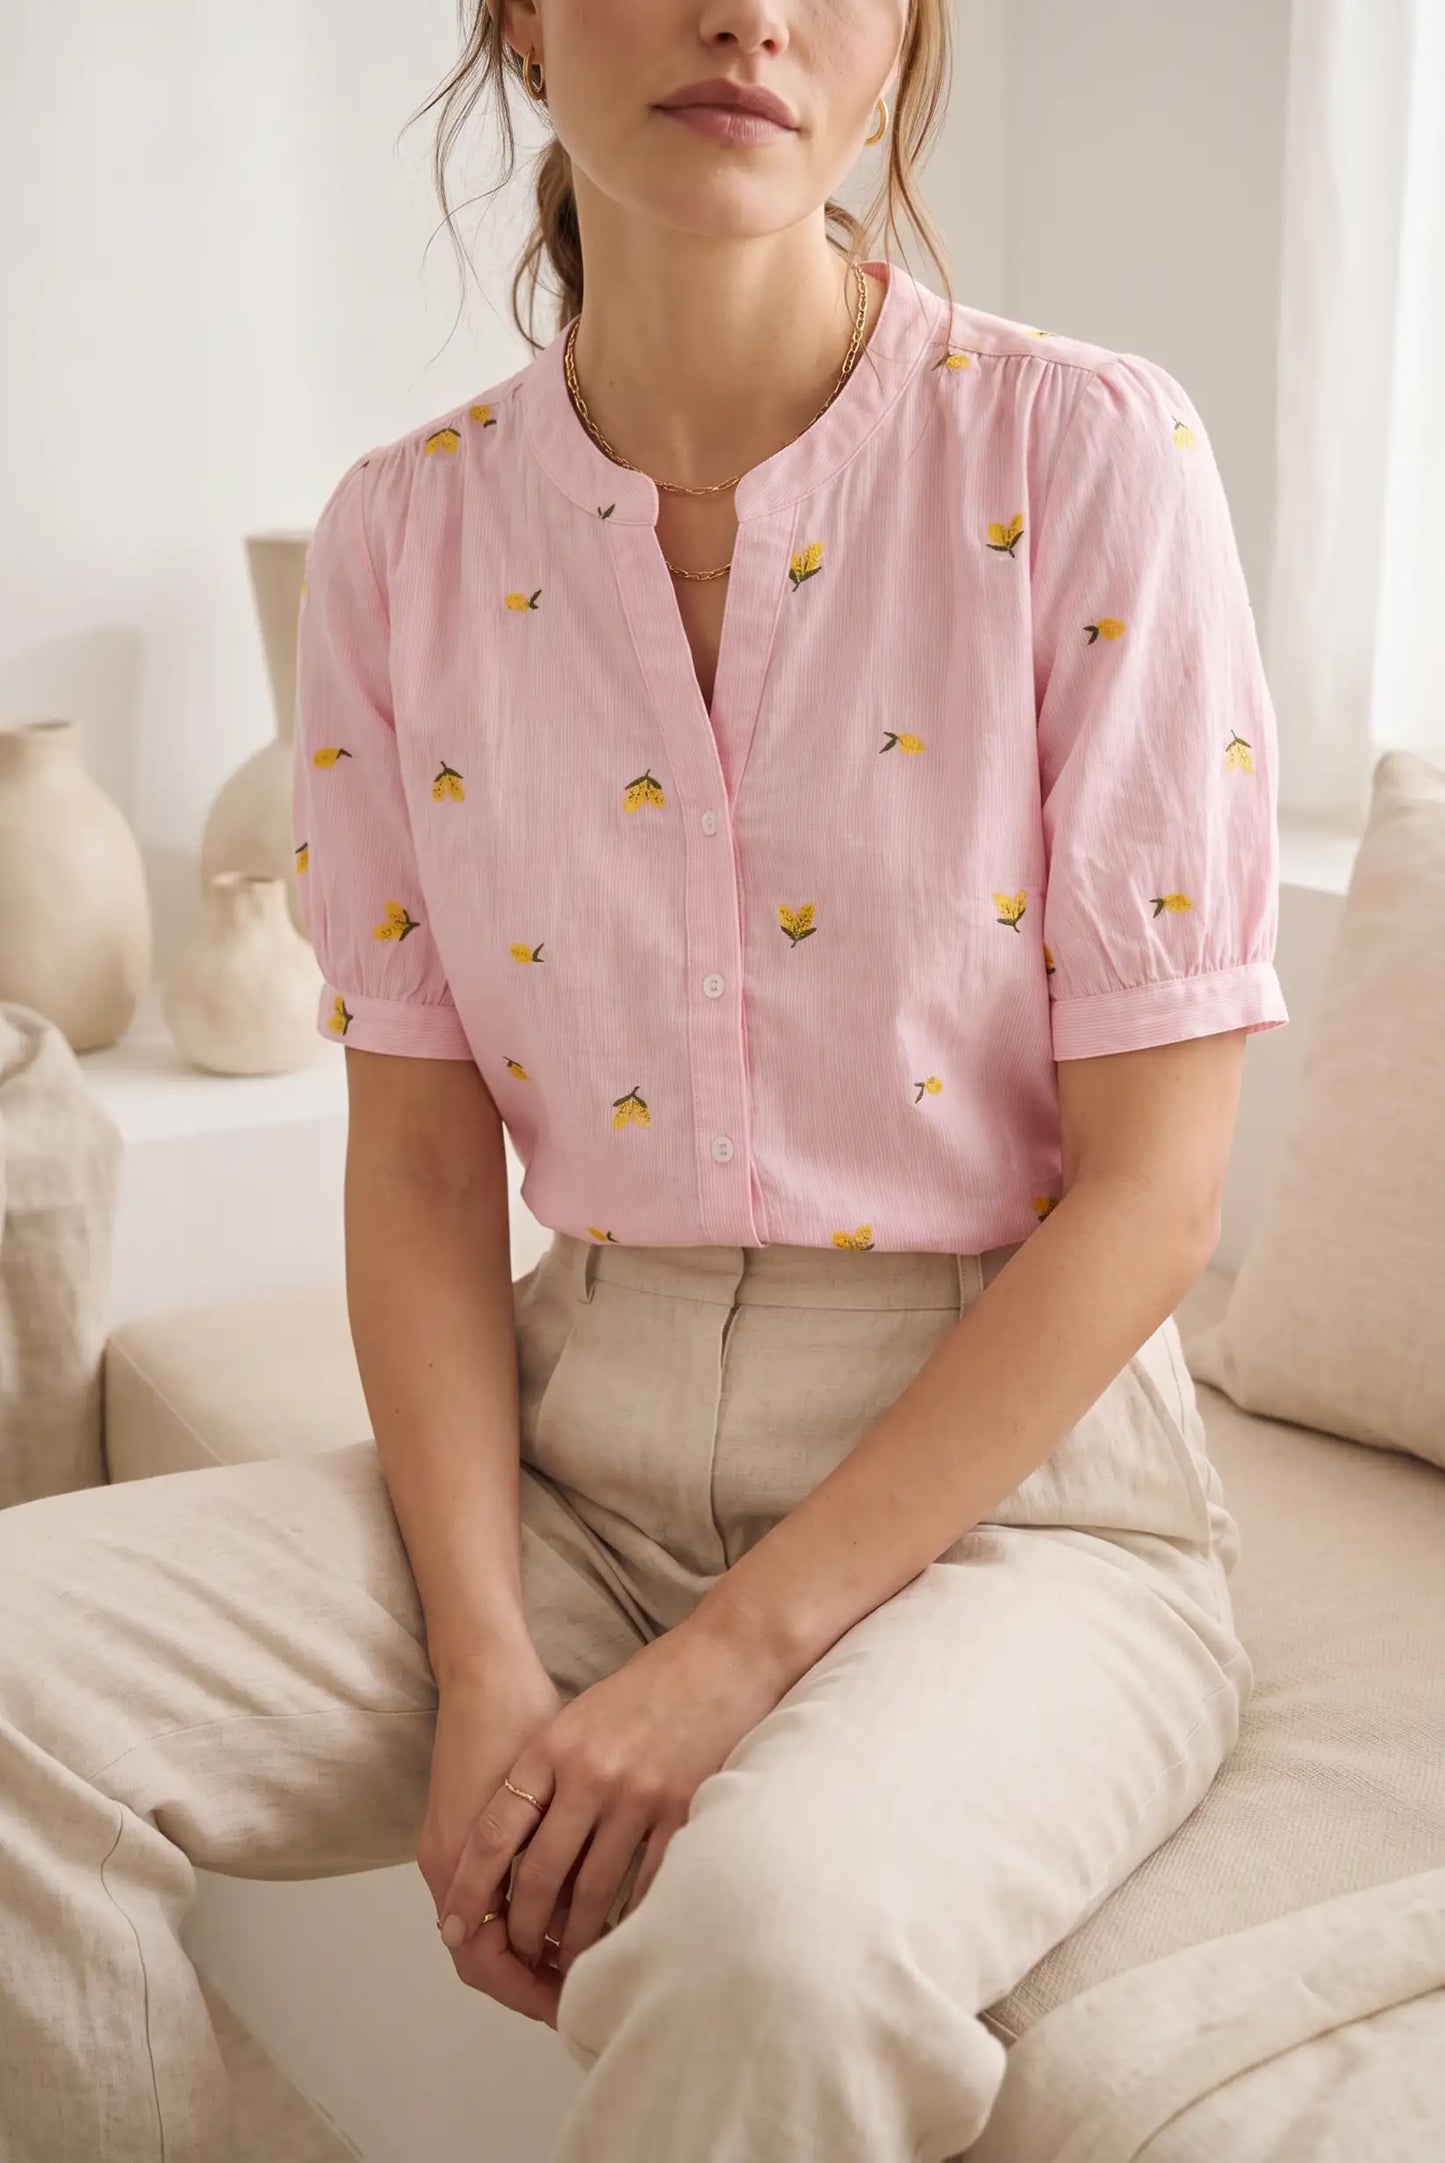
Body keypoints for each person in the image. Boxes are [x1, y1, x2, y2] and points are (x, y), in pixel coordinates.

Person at [0, 3, 1292, 2159]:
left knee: (760, 1945)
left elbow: (1156, 1198)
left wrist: (725, 1668)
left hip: (1021, 1511)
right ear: (515, 18)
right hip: (573, 1441)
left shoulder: (1086, 463)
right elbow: (418, 1165)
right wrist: (491, 1655)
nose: (748, 16)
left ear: (900, 43)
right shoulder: (401, 538)